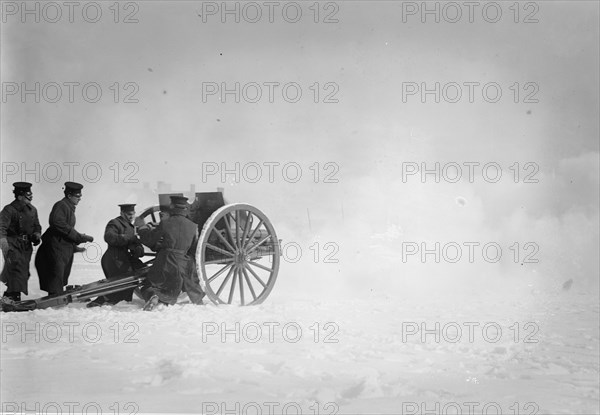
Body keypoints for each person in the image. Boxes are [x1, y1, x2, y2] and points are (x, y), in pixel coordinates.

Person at [139, 195, 201, 310]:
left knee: (150, 284)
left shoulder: (165, 222)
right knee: (177, 284)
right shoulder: (193, 226)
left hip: (165, 261)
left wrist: (143, 230)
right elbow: (193, 249)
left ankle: (154, 296)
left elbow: (150, 240)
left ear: (172, 206)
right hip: (184, 264)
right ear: (184, 208)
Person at [35, 182, 94, 295]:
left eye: (80, 196)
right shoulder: (61, 205)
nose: (80, 199)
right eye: (78, 196)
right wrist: (79, 237)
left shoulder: (69, 207)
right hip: (55, 247)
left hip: (61, 248)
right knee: (56, 275)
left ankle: (56, 298)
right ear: (69, 195)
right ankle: (54, 302)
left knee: (60, 276)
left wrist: (75, 247)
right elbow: (57, 223)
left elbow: (65, 231)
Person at [87, 204, 145, 307]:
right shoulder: (114, 223)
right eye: (128, 214)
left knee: (139, 272)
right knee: (120, 283)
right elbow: (109, 237)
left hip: (124, 257)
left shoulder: (131, 227)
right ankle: (100, 300)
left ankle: (121, 301)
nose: (131, 217)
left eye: (133, 214)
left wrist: (138, 248)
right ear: (122, 213)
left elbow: (135, 241)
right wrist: (127, 238)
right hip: (113, 258)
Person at [0, 182, 42, 303]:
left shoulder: (32, 210)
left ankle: (9, 296)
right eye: (28, 195)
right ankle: (13, 298)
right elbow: (1, 228)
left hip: (26, 246)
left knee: (23, 272)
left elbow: (37, 226)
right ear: (19, 196)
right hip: (12, 243)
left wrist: (37, 235)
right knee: (16, 269)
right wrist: (4, 246)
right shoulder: (9, 210)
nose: (31, 197)